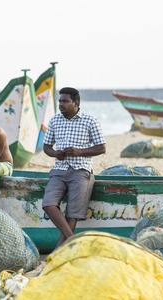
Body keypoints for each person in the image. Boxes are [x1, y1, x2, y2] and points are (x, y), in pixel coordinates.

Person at [42, 87, 106, 249]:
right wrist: (56, 153)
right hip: (59, 169)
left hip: (81, 170)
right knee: (48, 204)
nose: (61, 104)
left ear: (76, 103)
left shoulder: (90, 120)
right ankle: (72, 239)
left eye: (65, 101)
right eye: (60, 101)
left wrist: (80, 152)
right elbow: (47, 147)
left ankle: (58, 250)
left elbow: (101, 148)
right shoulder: (55, 120)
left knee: (73, 214)